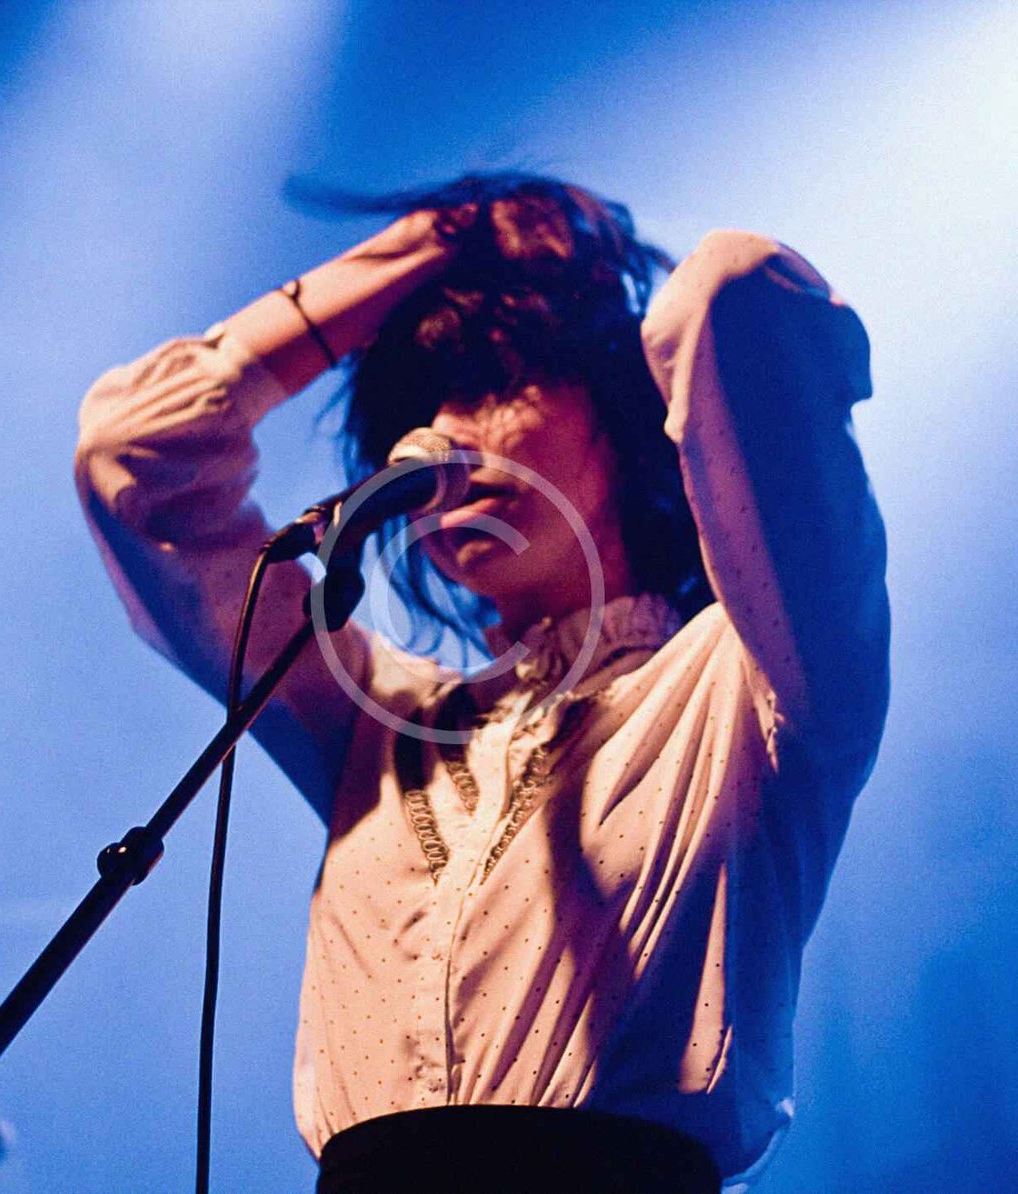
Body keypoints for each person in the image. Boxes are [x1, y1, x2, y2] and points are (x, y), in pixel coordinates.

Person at [74, 174, 889, 1192]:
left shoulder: (750, 686)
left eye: (496, 384)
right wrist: (427, 244)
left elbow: (735, 294)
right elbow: (136, 457)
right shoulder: (382, 724)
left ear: (624, 419)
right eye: (420, 411)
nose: (443, 436)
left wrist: (546, 246)